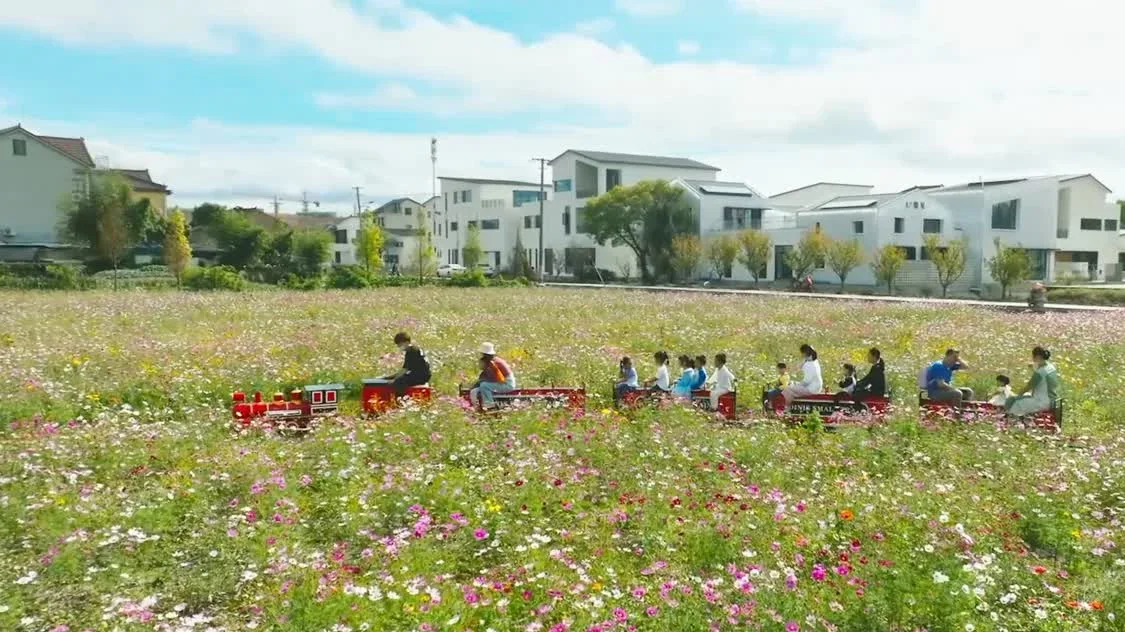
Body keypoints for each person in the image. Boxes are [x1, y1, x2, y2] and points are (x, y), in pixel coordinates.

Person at [1006, 347, 1060, 417]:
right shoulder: (1051, 367)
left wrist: (1016, 396)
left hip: (1042, 402)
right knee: (1025, 396)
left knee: (1015, 402)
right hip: (1052, 400)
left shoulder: (1040, 372)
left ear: (1037, 357)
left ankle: (1013, 417)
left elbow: (1028, 387)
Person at [469, 342, 516, 410]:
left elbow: (495, 379)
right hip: (503, 382)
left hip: (507, 384)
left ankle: (489, 405)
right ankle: (478, 406)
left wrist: (480, 382)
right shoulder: (493, 362)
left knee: (484, 385)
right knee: (479, 388)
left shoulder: (494, 364)